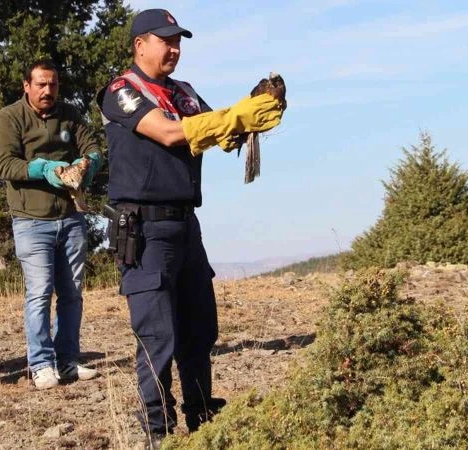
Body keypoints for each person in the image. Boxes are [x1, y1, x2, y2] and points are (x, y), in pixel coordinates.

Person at [96, 8, 284, 439]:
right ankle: (158, 434)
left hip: (186, 226)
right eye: (166, 40)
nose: (175, 49)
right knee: (157, 338)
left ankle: (203, 425)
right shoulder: (121, 90)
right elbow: (168, 133)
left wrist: (252, 110)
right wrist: (235, 116)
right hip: (144, 231)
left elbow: (220, 133)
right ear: (139, 45)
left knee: (199, 331)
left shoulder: (184, 93)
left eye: (178, 41)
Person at [0, 58, 103, 390]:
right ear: (26, 86)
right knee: (39, 293)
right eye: (41, 84)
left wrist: (87, 164)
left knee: (72, 294)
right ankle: (41, 364)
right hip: (31, 221)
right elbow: (5, 165)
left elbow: (93, 147)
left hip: (71, 217)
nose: (47, 90)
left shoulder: (70, 114)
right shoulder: (9, 117)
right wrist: (43, 170)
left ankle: (68, 361)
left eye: (53, 84)